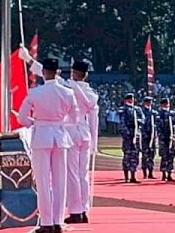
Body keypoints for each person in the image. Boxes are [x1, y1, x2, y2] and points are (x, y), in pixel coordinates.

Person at [17, 58, 78, 233]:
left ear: (43, 72)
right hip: (60, 136)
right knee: (60, 181)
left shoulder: (35, 93)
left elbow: (21, 118)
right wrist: (58, 122)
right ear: (58, 72)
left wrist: (35, 122)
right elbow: (73, 119)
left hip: (42, 135)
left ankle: (46, 222)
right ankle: (58, 221)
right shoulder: (68, 93)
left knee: (43, 182)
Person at [64, 61, 99, 225]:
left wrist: (29, 60)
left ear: (74, 73)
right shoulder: (92, 93)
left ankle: (76, 211)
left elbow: (49, 75)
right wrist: (94, 142)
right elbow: (94, 120)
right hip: (85, 134)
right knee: (83, 175)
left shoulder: (69, 87)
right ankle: (84, 210)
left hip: (71, 132)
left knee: (72, 174)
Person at [118, 93, 144, 183]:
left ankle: (133, 176)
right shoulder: (123, 110)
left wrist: (138, 122)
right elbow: (122, 123)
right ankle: (126, 176)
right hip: (128, 137)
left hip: (136, 135)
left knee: (135, 156)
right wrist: (127, 133)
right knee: (127, 156)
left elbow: (143, 119)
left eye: (132, 99)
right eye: (129, 99)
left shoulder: (137, 109)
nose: (131, 101)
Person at [156, 98, 175, 182]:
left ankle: (170, 173)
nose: (167, 105)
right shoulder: (159, 114)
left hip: (171, 138)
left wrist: (174, 134)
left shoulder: (173, 114)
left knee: (171, 155)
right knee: (164, 156)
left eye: (167, 104)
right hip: (163, 138)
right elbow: (158, 126)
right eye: (165, 104)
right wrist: (161, 136)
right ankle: (164, 173)